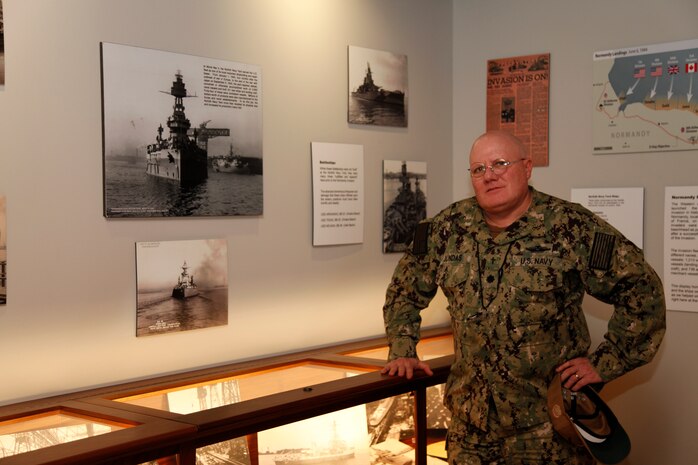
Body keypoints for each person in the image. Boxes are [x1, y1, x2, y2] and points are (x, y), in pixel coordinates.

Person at [380, 130, 666, 464]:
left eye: (500, 163)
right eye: (478, 169)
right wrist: (402, 348)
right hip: (471, 433)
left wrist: (605, 363)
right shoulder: (446, 230)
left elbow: (642, 292)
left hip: (548, 431)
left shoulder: (571, 228)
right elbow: (404, 291)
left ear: (527, 168)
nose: (490, 175)